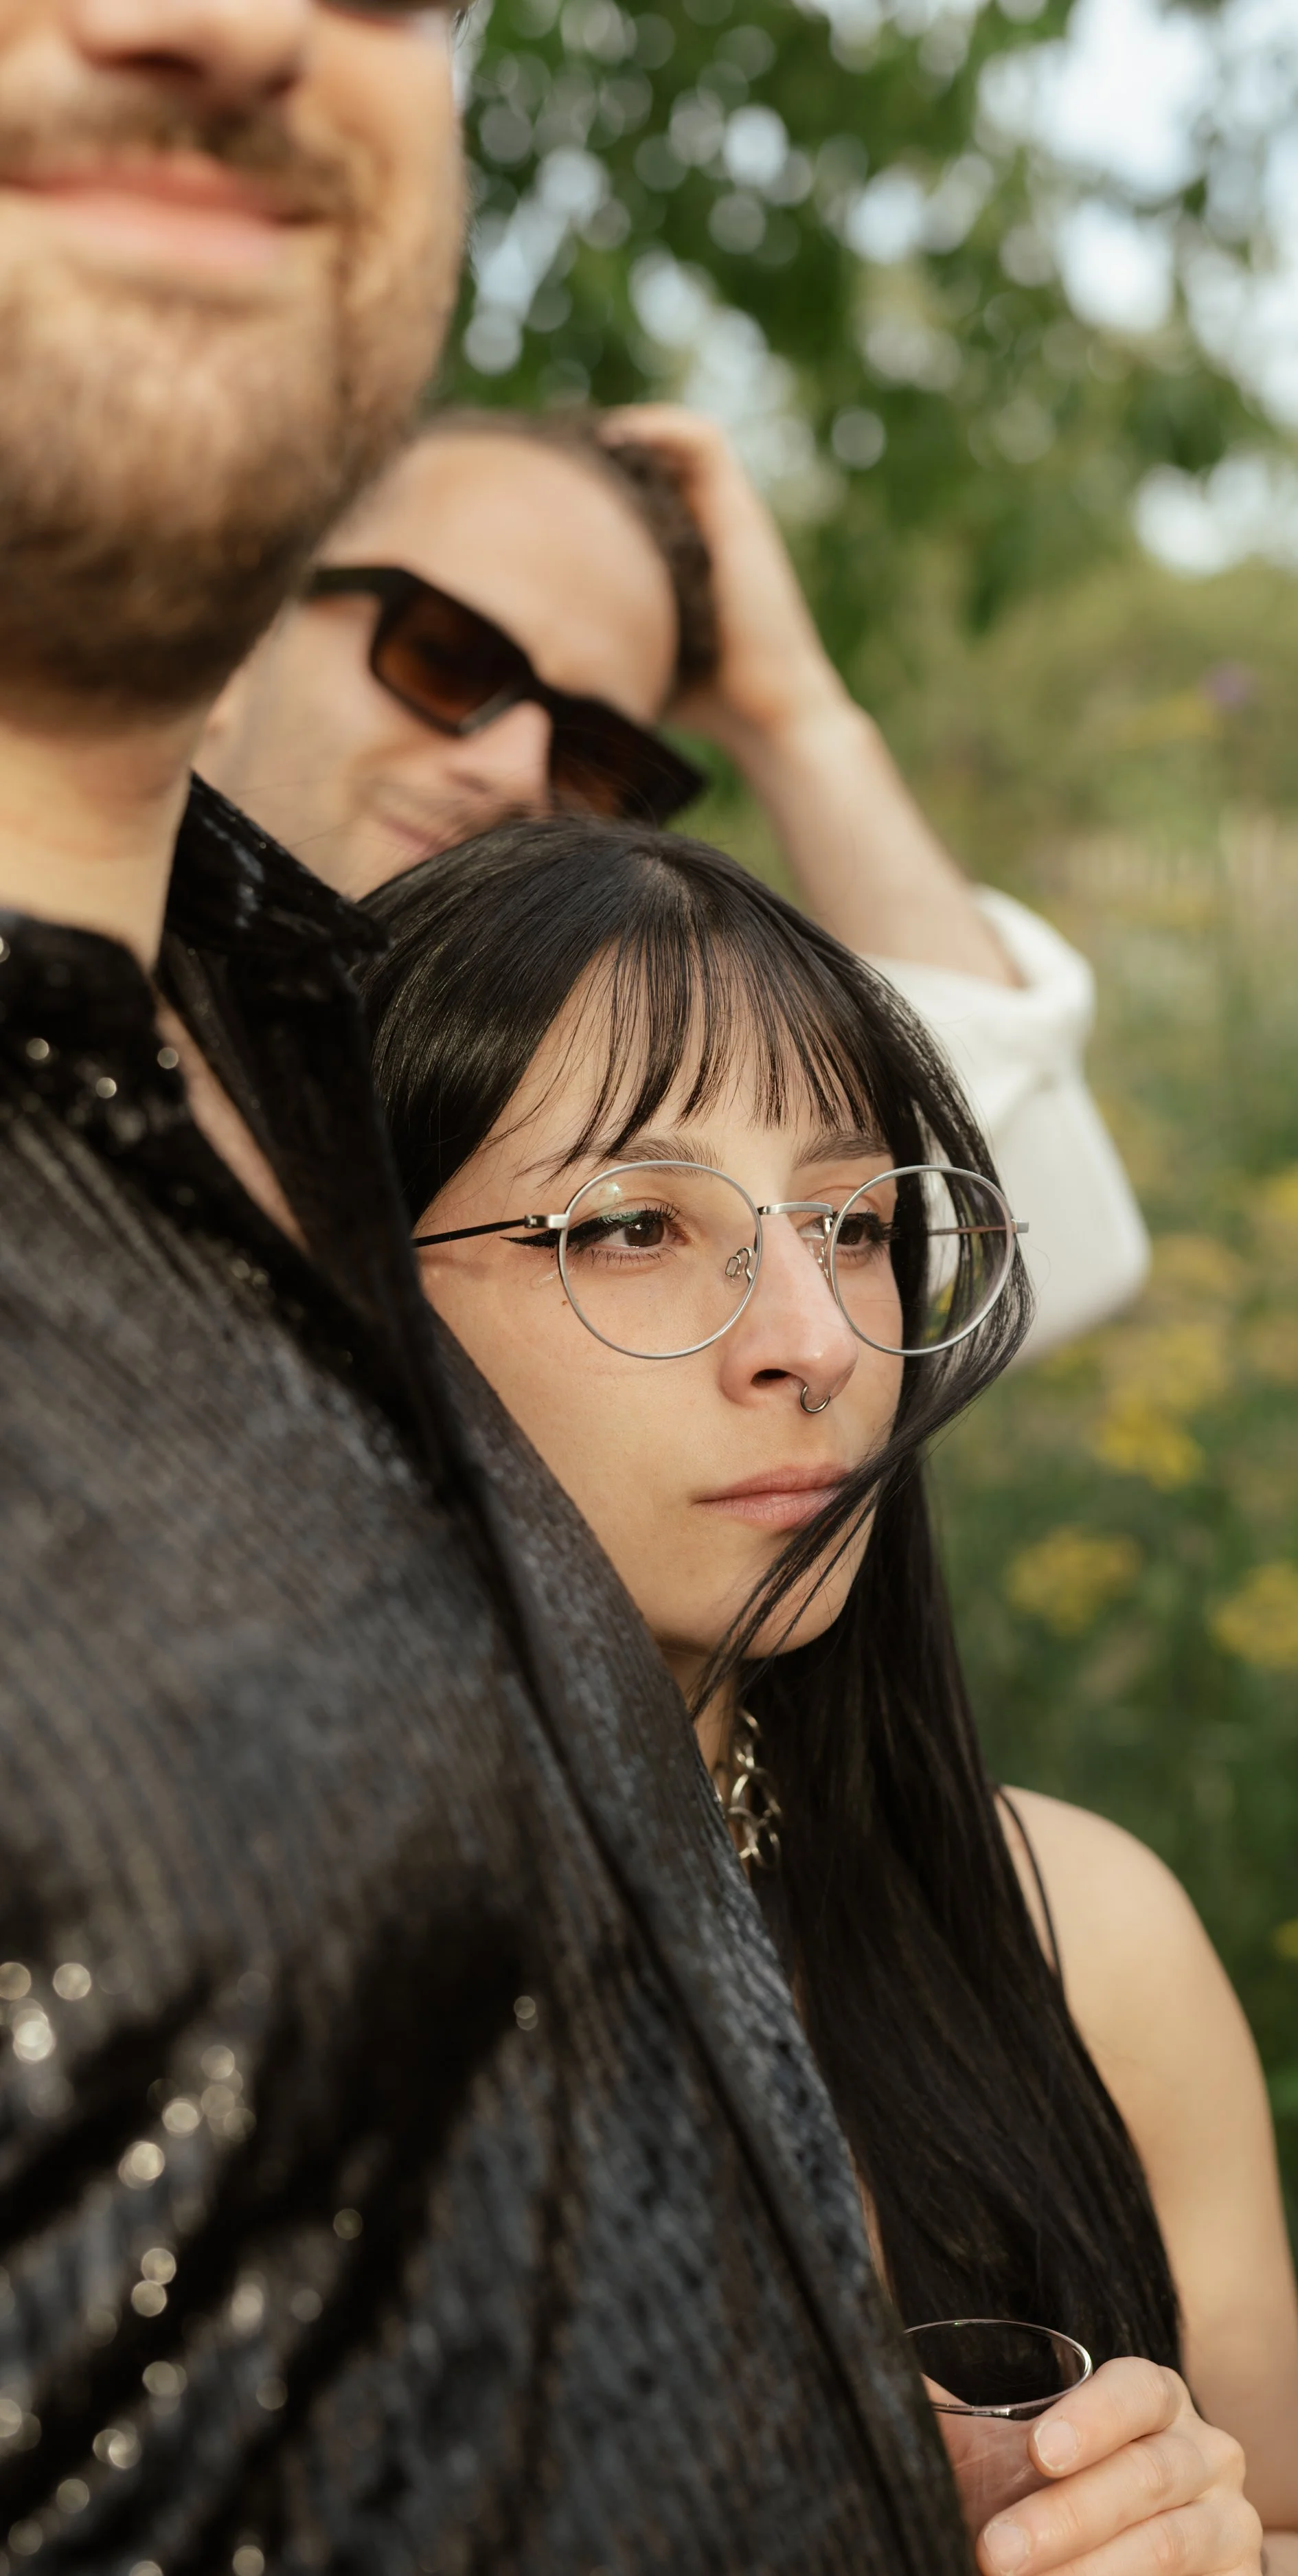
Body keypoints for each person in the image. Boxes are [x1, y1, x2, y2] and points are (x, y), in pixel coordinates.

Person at [0, 7, 977, 2568]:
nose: (214, 17)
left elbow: (993, 1169)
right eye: (440, 655)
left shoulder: (289, 1068)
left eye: (618, 754)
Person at [358, 815, 1298, 2576]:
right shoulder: (199, 2005)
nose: (812, 1338)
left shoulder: (1082, 1937)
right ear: (348, 1294)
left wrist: (1213, 2548)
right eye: (637, 1225)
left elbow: (1292, 2531)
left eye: (856, 1221)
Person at [198, 403, 1148, 1355]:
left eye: (594, 750)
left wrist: (797, 719)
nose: (518, 769)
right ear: (243, 626)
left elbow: (1032, 1259)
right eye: (446, 656)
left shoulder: (547, 1090)